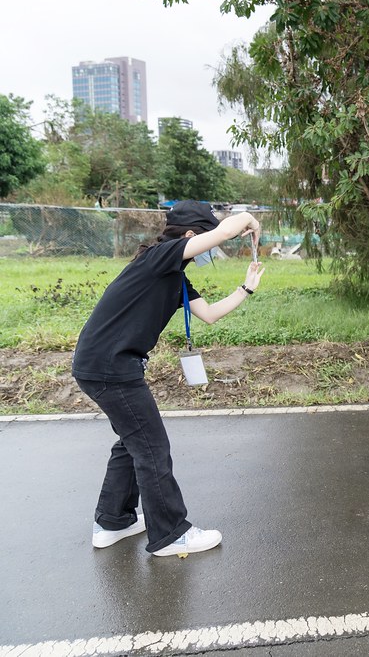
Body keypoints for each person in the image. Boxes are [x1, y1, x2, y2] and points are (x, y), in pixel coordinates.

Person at [73, 200, 264, 557]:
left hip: (103, 363)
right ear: (191, 235)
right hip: (111, 367)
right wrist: (249, 219)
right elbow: (226, 229)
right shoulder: (160, 256)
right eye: (208, 239)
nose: (212, 248)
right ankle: (170, 534)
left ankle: (113, 522)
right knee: (151, 447)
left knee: (133, 442)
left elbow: (209, 314)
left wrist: (246, 288)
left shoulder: (173, 275)